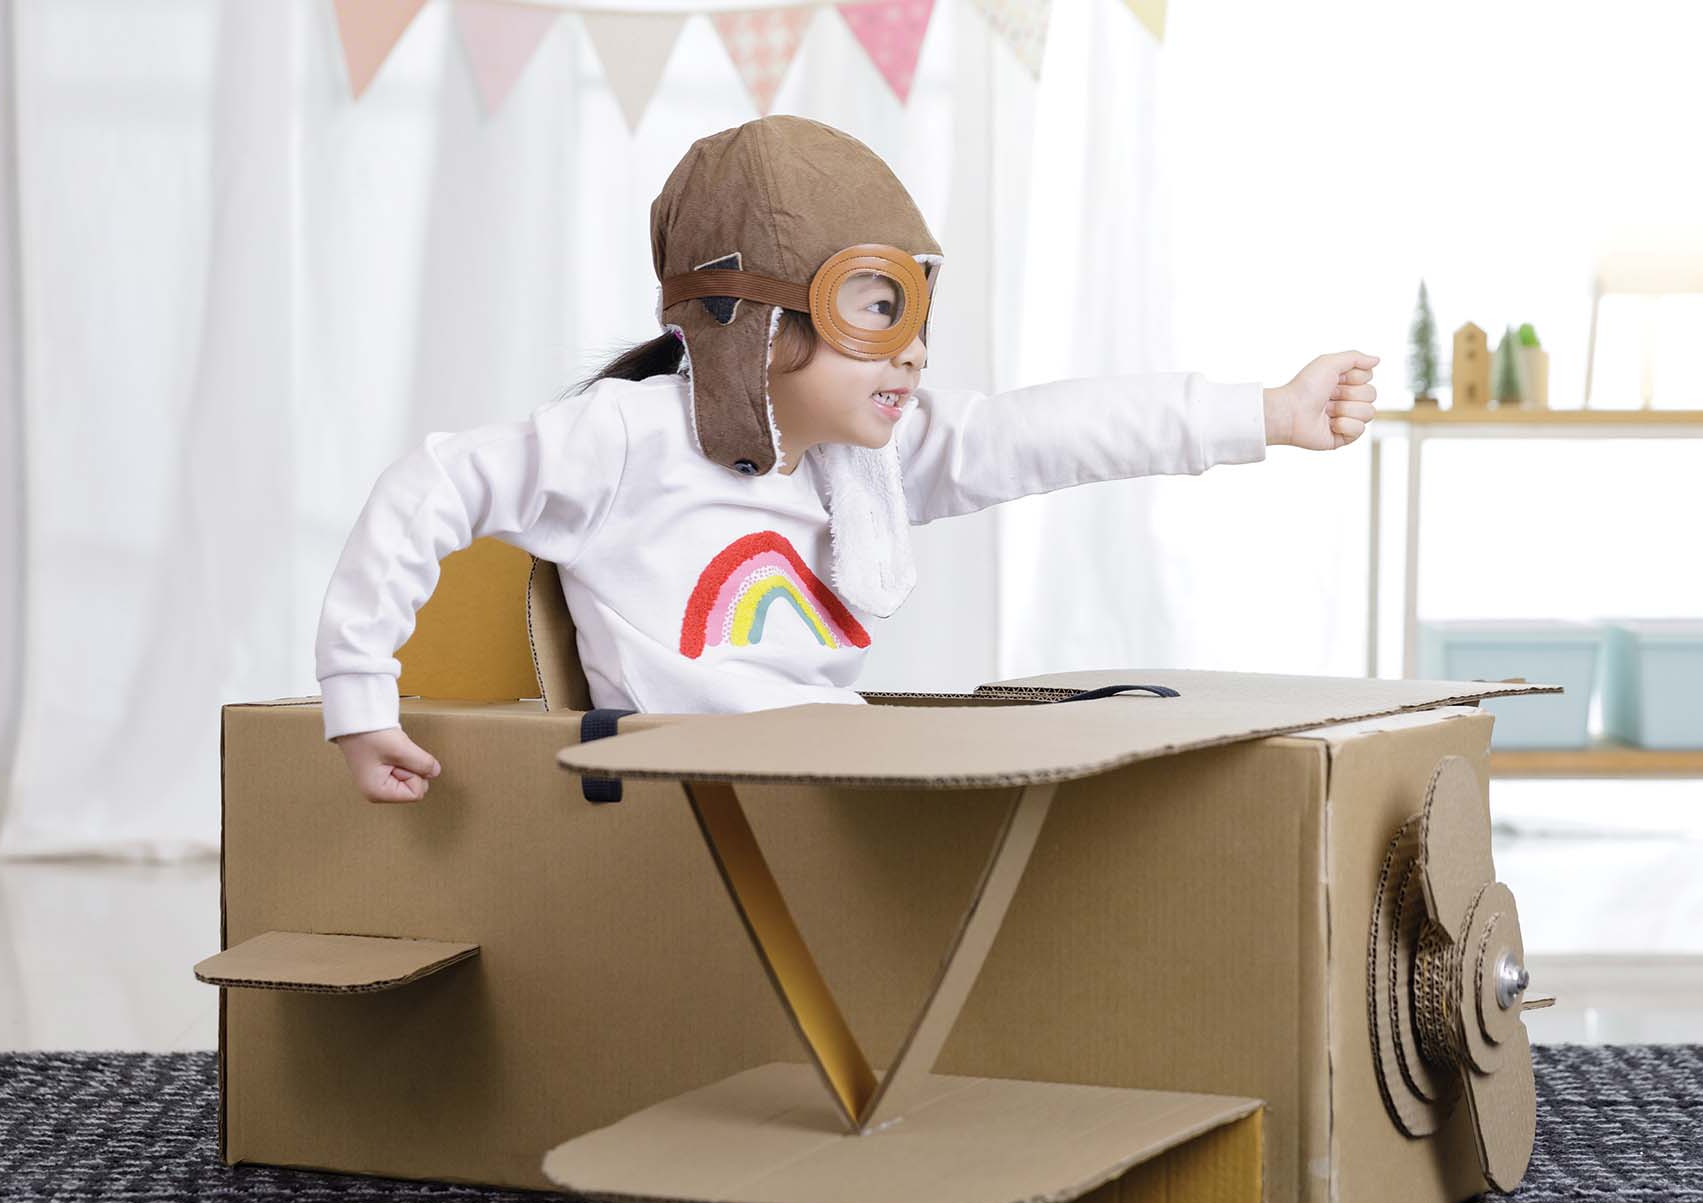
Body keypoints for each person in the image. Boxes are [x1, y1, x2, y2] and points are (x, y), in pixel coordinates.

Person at [319, 115, 1379, 803]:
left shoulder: (859, 458)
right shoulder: (627, 441)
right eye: (874, 309)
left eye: (917, 310)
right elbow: (432, 483)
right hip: (696, 807)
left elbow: (1046, 431)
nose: (911, 351)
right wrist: (360, 699)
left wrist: (1266, 412)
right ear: (750, 319)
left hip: (832, 783)